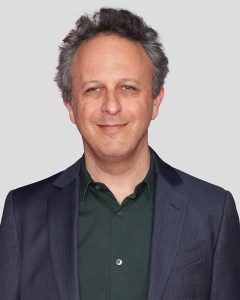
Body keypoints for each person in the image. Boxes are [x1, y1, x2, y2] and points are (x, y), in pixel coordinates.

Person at [0, 7, 239, 300]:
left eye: (127, 87)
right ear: (70, 105)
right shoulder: (21, 214)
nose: (111, 106)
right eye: (93, 89)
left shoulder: (214, 212)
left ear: (155, 100)